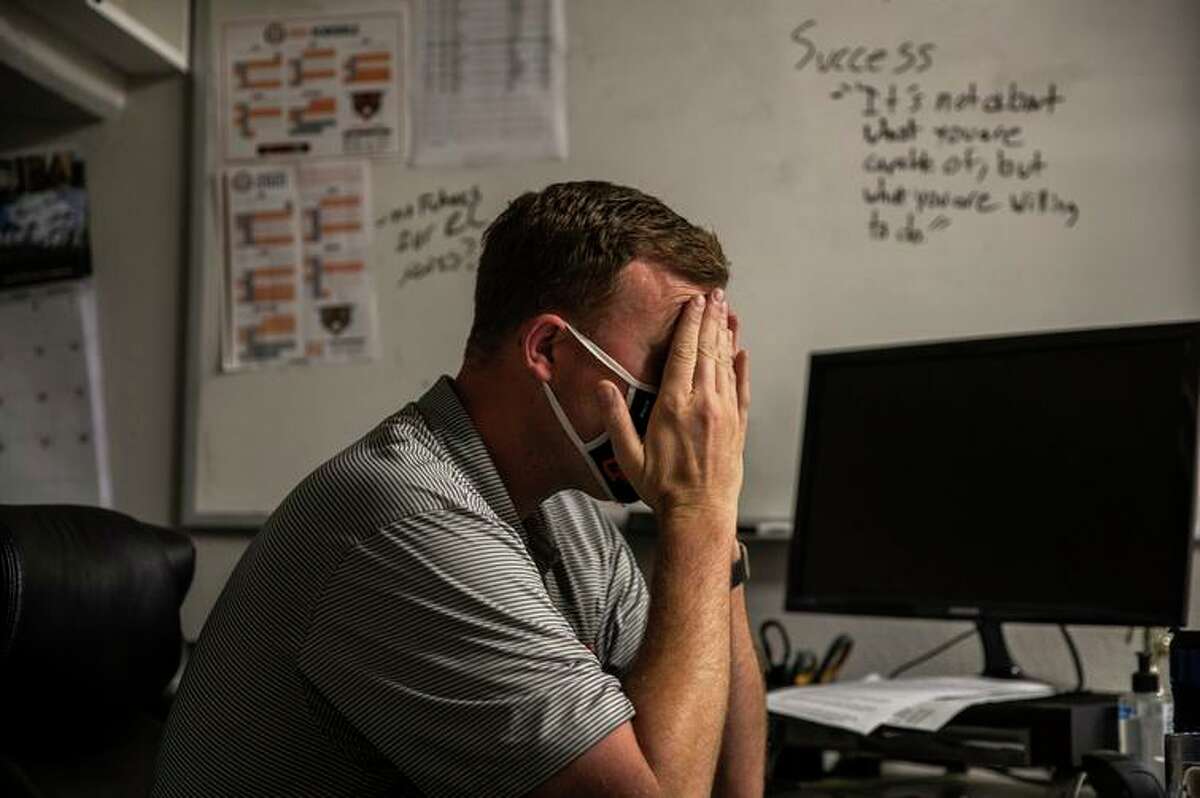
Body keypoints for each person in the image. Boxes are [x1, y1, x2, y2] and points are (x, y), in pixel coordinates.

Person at [154, 181, 763, 797]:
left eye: (704, 361)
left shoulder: (569, 525)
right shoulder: (411, 526)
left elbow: (724, 780)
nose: (694, 399)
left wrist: (717, 521)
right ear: (547, 348)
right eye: (672, 362)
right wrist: (696, 511)